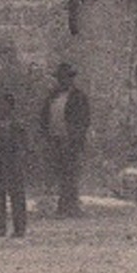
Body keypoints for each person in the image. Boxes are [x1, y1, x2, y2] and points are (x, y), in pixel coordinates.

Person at [39, 62, 91, 217]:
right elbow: (43, 117)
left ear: (71, 79)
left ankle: (70, 206)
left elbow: (84, 120)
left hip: (71, 141)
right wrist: (45, 136)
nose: (63, 81)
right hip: (55, 139)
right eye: (60, 78)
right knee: (60, 172)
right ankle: (64, 206)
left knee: (71, 173)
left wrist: (75, 137)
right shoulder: (52, 97)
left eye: (66, 78)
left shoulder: (79, 97)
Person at [0, 91, 29, 238]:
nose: (1, 107)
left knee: (17, 195)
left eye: (4, 104)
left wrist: (21, 159)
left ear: (11, 106)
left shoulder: (18, 125)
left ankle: (19, 227)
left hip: (14, 163)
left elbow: (24, 145)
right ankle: (0, 227)